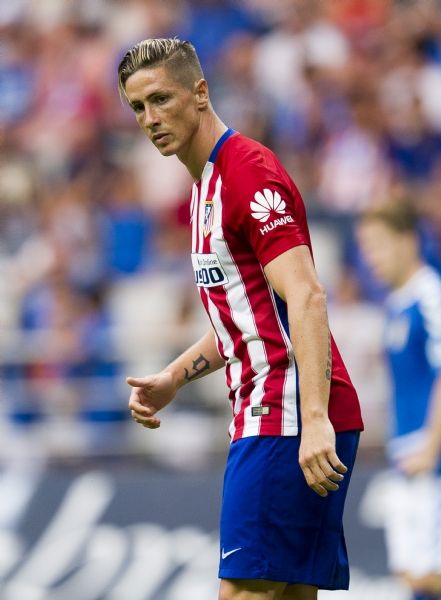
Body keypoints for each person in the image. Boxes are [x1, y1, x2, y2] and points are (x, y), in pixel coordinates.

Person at [118, 38, 363, 600]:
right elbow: (249, 316)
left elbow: (306, 296)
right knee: (287, 594)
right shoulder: (204, 186)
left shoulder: (248, 173)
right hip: (278, 412)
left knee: (245, 592)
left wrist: (313, 419)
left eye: (161, 99)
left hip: (286, 415)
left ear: (200, 92)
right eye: (138, 107)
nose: (150, 119)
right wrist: (174, 377)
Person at [357, 201, 441, 600]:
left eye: (378, 245)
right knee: (410, 576)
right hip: (405, 454)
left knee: (424, 574)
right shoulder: (395, 304)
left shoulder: (429, 295)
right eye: (365, 248)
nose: (371, 258)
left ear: (407, 242)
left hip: (430, 458)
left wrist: (431, 448)